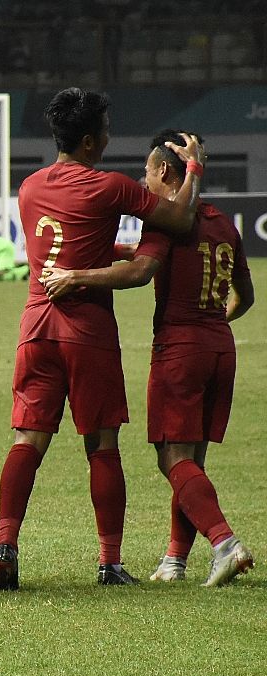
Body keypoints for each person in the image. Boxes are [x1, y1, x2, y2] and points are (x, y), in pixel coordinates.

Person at [0, 88, 205, 590]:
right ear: (89, 141)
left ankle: (6, 545)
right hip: (87, 332)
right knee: (102, 445)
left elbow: (71, 236)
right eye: (104, 131)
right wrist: (192, 171)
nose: (108, 138)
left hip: (36, 326)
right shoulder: (110, 188)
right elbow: (180, 219)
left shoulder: (30, 186)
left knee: (28, 441)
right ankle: (109, 562)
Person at [41, 129, 255, 587]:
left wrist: (77, 274)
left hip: (179, 349)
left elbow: (142, 269)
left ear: (162, 170)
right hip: (220, 345)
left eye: (145, 172)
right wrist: (213, 327)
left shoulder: (168, 221)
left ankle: (225, 544)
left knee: (171, 458)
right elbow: (247, 297)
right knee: (191, 461)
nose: (143, 180)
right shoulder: (224, 224)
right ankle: (175, 560)